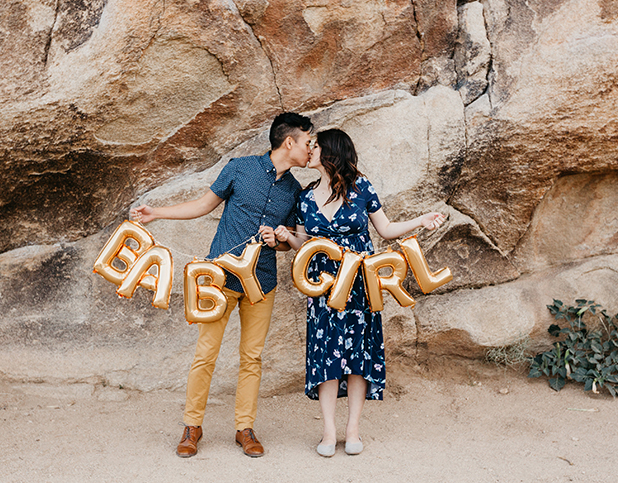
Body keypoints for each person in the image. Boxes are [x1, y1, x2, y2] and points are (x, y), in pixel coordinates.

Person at [130, 113, 313, 458]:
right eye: (307, 142)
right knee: (205, 354)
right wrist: (157, 213)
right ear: (289, 142)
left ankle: (245, 428)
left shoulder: (294, 190)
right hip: (219, 279)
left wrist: (281, 237)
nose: (310, 149)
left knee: (252, 357)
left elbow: (291, 242)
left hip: (262, 282)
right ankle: (192, 426)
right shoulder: (239, 168)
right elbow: (203, 205)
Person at [273, 128, 444, 457]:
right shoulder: (305, 197)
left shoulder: (360, 188)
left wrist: (420, 221)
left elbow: (386, 229)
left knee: (357, 359)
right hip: (323, 290)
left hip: (360, 289)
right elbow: (305, 245)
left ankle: (352, 430)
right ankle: (328, 431)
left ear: (331, 153)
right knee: (326, 359)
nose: (310, 150)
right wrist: (286, 236)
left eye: (316, 146)